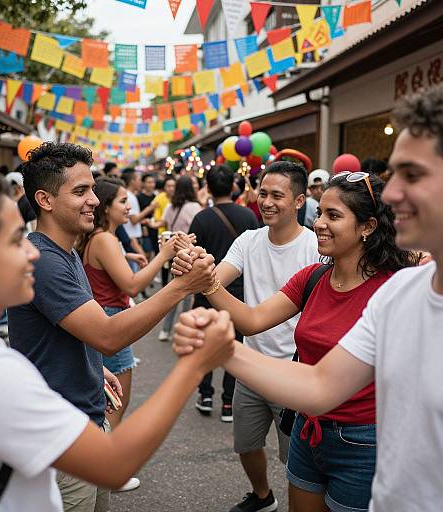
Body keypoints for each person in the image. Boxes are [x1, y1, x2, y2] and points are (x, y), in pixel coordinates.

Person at [174, 85, 443, 512]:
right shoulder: (398, 292)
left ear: (367, 227)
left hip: (360, 443)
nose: (393, 193)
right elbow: (320, 385)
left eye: (412, 175)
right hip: (311, 430)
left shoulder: (396, 279)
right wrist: (217, 338)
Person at [0, 169, 234, 512]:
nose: (31, 253)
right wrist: (194, 364)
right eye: (15, 240)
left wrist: (90, 366)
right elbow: (113, 464)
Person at [7, 142, 215, 511]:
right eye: (80, 191)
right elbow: (107, 334)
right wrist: (181, 286)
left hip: (84, 423)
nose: (94, 201)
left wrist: (94, 368)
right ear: (45, 199)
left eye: (93, 189)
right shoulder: (43, 260)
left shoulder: (65, 250)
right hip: (61, 435)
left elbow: (72, 331)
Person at [173, 161, 319, 512]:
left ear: (299, 201)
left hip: (294, 372)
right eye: (263, 193)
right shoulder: (249, 240)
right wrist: (196, 266)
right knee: (246, 444)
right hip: (250, 364)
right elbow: (218, 275)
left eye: (277, 196)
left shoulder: (315, 246)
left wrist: (204, 280)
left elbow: (216, 288)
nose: (266, 202)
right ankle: (262, 495)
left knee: (298, 460)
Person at [77, 177, 178, 430]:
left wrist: (126, 255)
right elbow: (132, 285)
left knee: (108, 401)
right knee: (116, 402)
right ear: (106, 207)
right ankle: (106, 463)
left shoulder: (100, 237)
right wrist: (164, 255)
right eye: (123, 202)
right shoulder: (105, 240)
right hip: (111, 319)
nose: (129, 208)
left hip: (104, 317)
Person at [188, 165, 259, 422]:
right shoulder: (249, 217)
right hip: (239, 293)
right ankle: (229, 401)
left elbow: (191, 253)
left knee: (203, 341)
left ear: (208, 187)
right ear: (233, 187)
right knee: (234, 344)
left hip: (206, 289)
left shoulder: (201, 218)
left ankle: (205, 394)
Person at [157, 176, 203, 341]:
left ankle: (166, 330)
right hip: (189, 254)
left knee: (173, 292)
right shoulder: (195, 207)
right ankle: (184, 330)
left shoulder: (170, 207)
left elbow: (167, 226)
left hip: (173, 254)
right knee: (188, 294)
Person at [120, 168, 156, 271]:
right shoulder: (130, 197)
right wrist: (150, 208)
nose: (140, 182)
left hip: (132, 240)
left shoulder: (131, 195)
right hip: (131, 241)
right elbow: (134, 219)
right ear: (132, 181)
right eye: (138, 179)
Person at [138, 173, 158, 261]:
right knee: (147, 253)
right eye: (149, 182)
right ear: (143, 184)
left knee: (157, 251)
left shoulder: (156, 197)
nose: (152, 184)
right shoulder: (138, 197)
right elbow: (136, 216)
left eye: (153, 182)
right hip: (144, 230)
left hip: (156, 228)